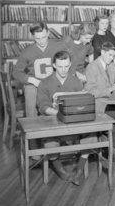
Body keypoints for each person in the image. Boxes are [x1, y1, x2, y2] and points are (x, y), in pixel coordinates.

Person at [12, 22, 78, 166]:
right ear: (32, 37)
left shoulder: (58, 46)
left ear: (48, 33)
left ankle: (64, 144)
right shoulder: (27, 51)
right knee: (30, 92)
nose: (41, 41)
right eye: (37, 39)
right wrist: (32, 80)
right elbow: (16, 72)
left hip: (55, 83)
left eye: (43, 37)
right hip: (37, 85)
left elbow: (72, 61)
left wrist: (69, 77)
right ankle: (35, 151)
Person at [36, 51, 98, 185]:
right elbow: (42, 105)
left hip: (73, 123)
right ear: (54, 65)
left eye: (66, 66)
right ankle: (60, 169)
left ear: (70, 65)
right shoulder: (45, 83)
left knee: (92, 135)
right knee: (50, 140)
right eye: (59, 66)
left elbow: (82, 103)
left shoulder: (76, 82)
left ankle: (79, 168)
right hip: (55, 122)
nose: (63, 70)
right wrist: (58, 113)